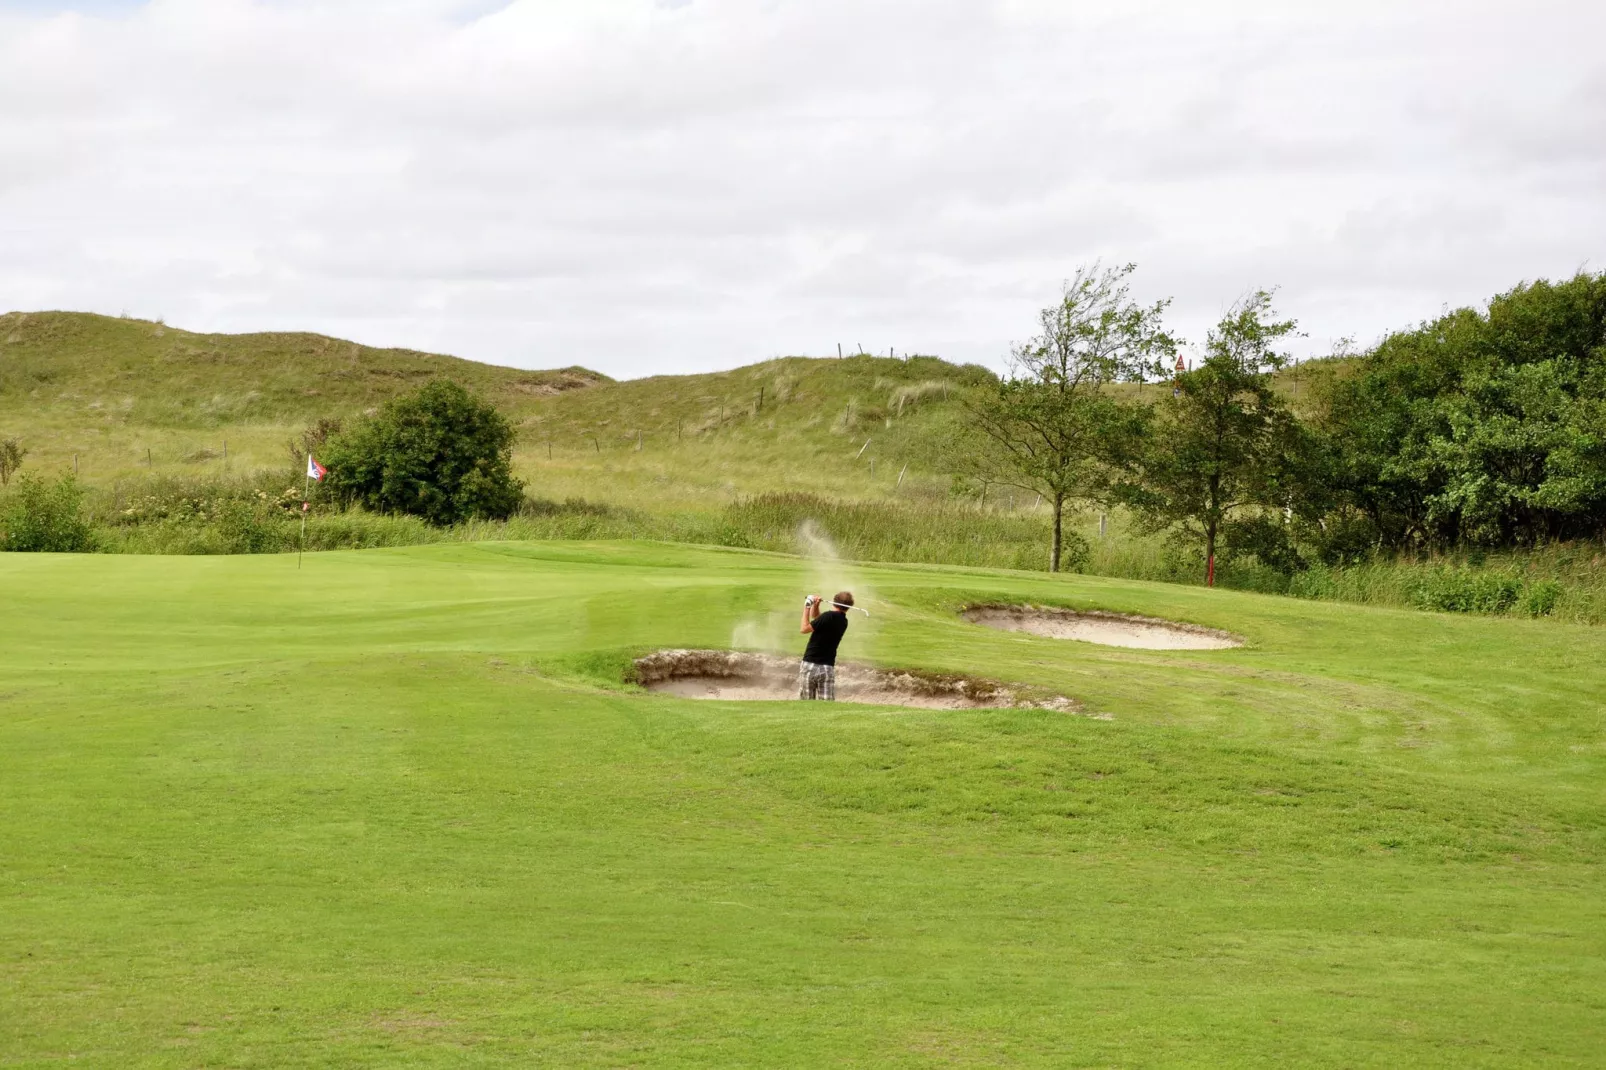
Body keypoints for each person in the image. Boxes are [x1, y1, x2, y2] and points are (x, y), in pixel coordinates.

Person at [798, 590, 853, 700]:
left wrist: (807, 606)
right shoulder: (843, 621)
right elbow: (818, 620)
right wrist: (816, 605)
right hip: (827, 668)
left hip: (810, 664)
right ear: (848, 607)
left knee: (806, 705)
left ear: (834, 602)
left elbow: (804, 629)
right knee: (826, 706)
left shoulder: (828, 616)